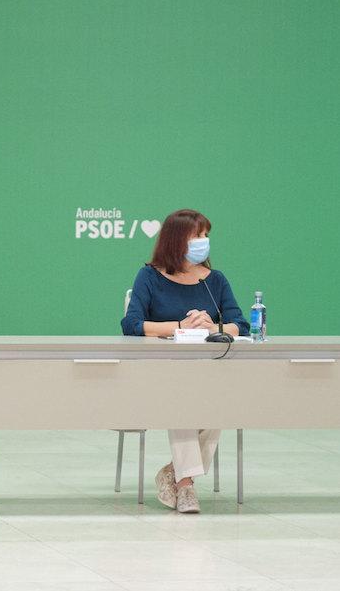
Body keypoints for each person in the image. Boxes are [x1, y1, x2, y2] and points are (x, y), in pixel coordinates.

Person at [120, 208, 248, 514]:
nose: (204, 242)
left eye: (206, 236)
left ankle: (177, 474)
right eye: (197, 236)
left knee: (219, 403)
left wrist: (212, 328)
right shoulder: (149, 276)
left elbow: (240, 325)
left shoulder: (213, 281)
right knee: (182, 397)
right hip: (161, 373)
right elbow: (132, 324)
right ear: (177, 240)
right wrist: (180, 326)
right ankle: (187, 485)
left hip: (207, 371)